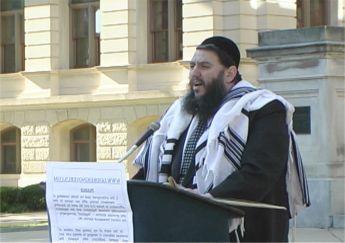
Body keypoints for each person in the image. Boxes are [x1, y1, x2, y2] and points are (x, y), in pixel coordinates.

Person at [133, 36, 310, 242]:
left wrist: (202, 203)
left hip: (244, 233)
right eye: (192, 66)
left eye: (204, 66)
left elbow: (258, 174)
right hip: (180, 229)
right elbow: (150, 171)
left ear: (230, 73)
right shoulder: (178, 114)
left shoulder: (264, 109)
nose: (194, 73)